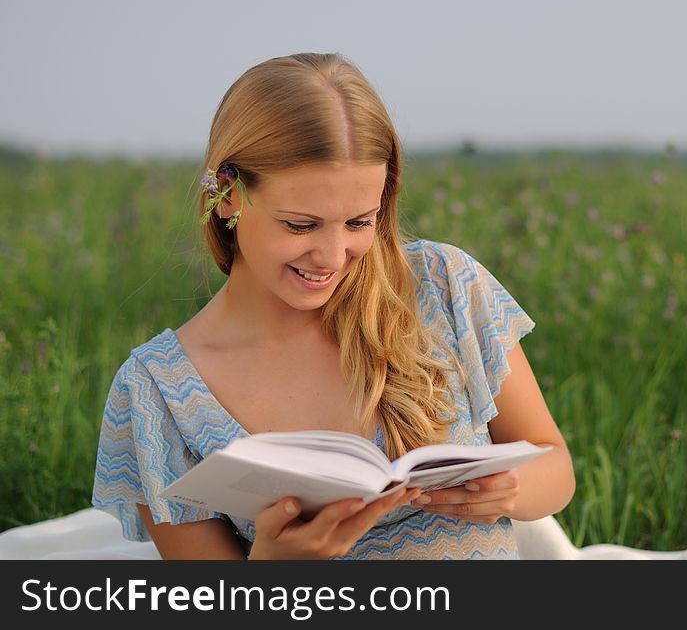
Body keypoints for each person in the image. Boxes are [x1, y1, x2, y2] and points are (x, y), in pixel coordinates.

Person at [91, 52, 575, 560]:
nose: (331, 257)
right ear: (229, 194)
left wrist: (512, 487)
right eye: (300, 225)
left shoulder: (442, 285)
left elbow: (556, 466)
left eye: (360, 222)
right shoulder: (155, 392)